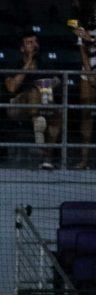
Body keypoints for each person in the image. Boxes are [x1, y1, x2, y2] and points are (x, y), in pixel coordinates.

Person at [6, 32, 61, 171]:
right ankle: (39, 135)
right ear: (22, 49)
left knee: (57, 115)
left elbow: (57, 80)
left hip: (43, 102)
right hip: (17, 106)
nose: (33, 45)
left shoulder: (44, 63)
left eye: (35, 41)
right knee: (33, 93)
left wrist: (51, 83)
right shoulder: (15, 64)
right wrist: (28, 62)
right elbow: (12, 88)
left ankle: (47, 159)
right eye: (29, 42)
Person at [76, 1, 96, 170]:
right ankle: (84, 160)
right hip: (88, 73)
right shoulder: (83, 24)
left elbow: (89, 41)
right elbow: (83, 50)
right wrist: (89, 74)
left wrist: (89, 39)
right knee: (86, 116)